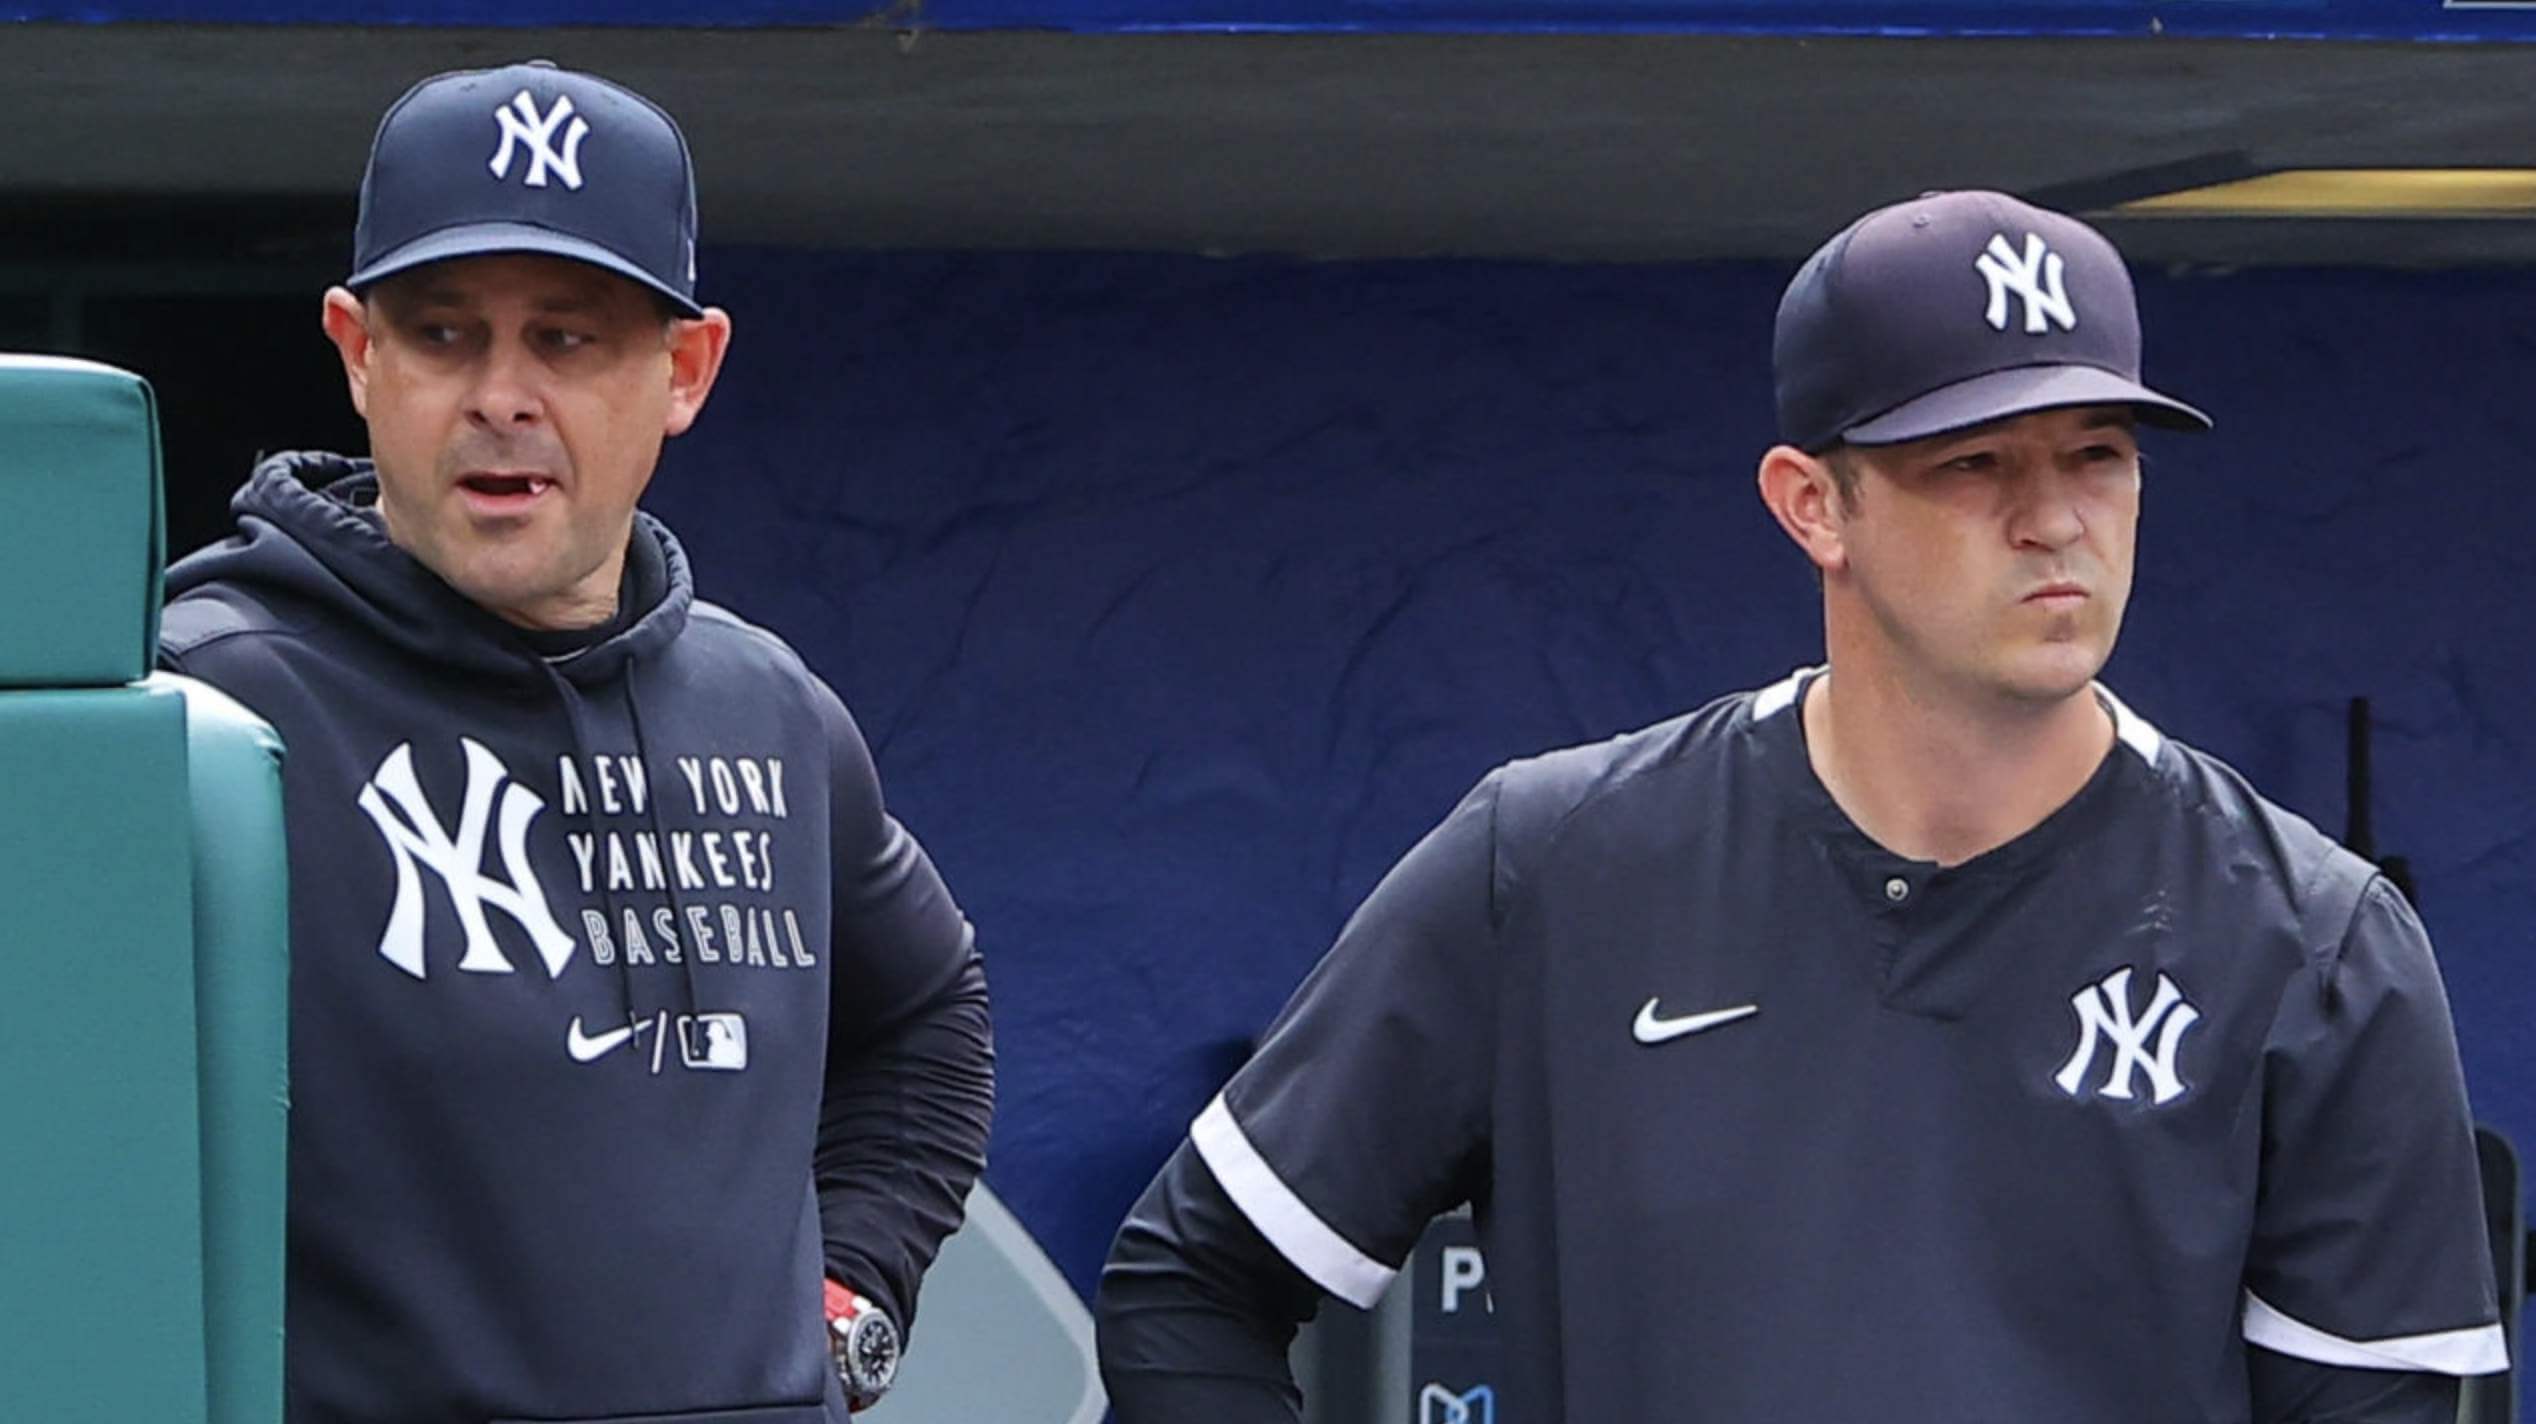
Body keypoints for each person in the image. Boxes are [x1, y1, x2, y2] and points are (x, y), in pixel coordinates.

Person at [1095, 191, 2504, 1422]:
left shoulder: (2315, 943)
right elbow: (1193, 1285)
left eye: (2098, 455)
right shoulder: (1557, 866)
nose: (2055, 517)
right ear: (1812, 505)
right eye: (1974, 463)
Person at [158, 60, 992, 1423]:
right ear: (357, 355)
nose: (500, 396)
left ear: (686, 370)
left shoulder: (772, 714)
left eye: (567, 338)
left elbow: (927, 1015)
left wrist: (847, 1314)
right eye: (440, 335)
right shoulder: (208, 715)